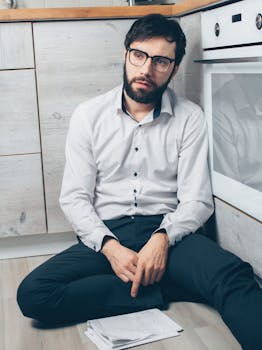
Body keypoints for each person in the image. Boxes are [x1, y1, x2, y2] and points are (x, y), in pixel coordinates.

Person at [17, 14, 262, 350]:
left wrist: (163, 238)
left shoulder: (190, 118)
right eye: (139, 55)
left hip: (169, 234)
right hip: (109, 235)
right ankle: (172, 287)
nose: (147, 69)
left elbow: (197, 200)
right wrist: (110, 248)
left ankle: (168, 276)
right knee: (34, 295)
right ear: (126, 54)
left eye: (161, 61)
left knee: (234, 277)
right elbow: (75, 198)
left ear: (174, 69)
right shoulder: (89, 116)